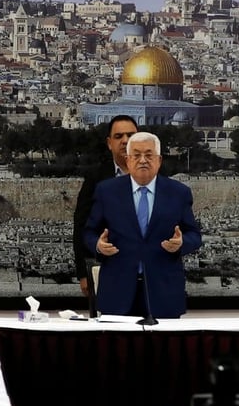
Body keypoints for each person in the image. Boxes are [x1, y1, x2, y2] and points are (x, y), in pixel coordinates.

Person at [84, 131, 202, 318]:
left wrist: (181, 243)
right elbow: (89, 232)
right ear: (128, 160)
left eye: (149, 155)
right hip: (118, 291)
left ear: (159, 160)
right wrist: (98, 245)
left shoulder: (179, 193)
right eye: (137, 155)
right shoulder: (107, 192)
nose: (143, 160)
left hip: (164, 292)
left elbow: (194, 235)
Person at [73, 115, 138, 302]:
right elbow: (81, 225)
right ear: (109, 143)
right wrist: (83, 274)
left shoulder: (156, 176)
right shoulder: (96, 178)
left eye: (130, 135)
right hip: (105, 269)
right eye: (119, 136)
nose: (125, 141)